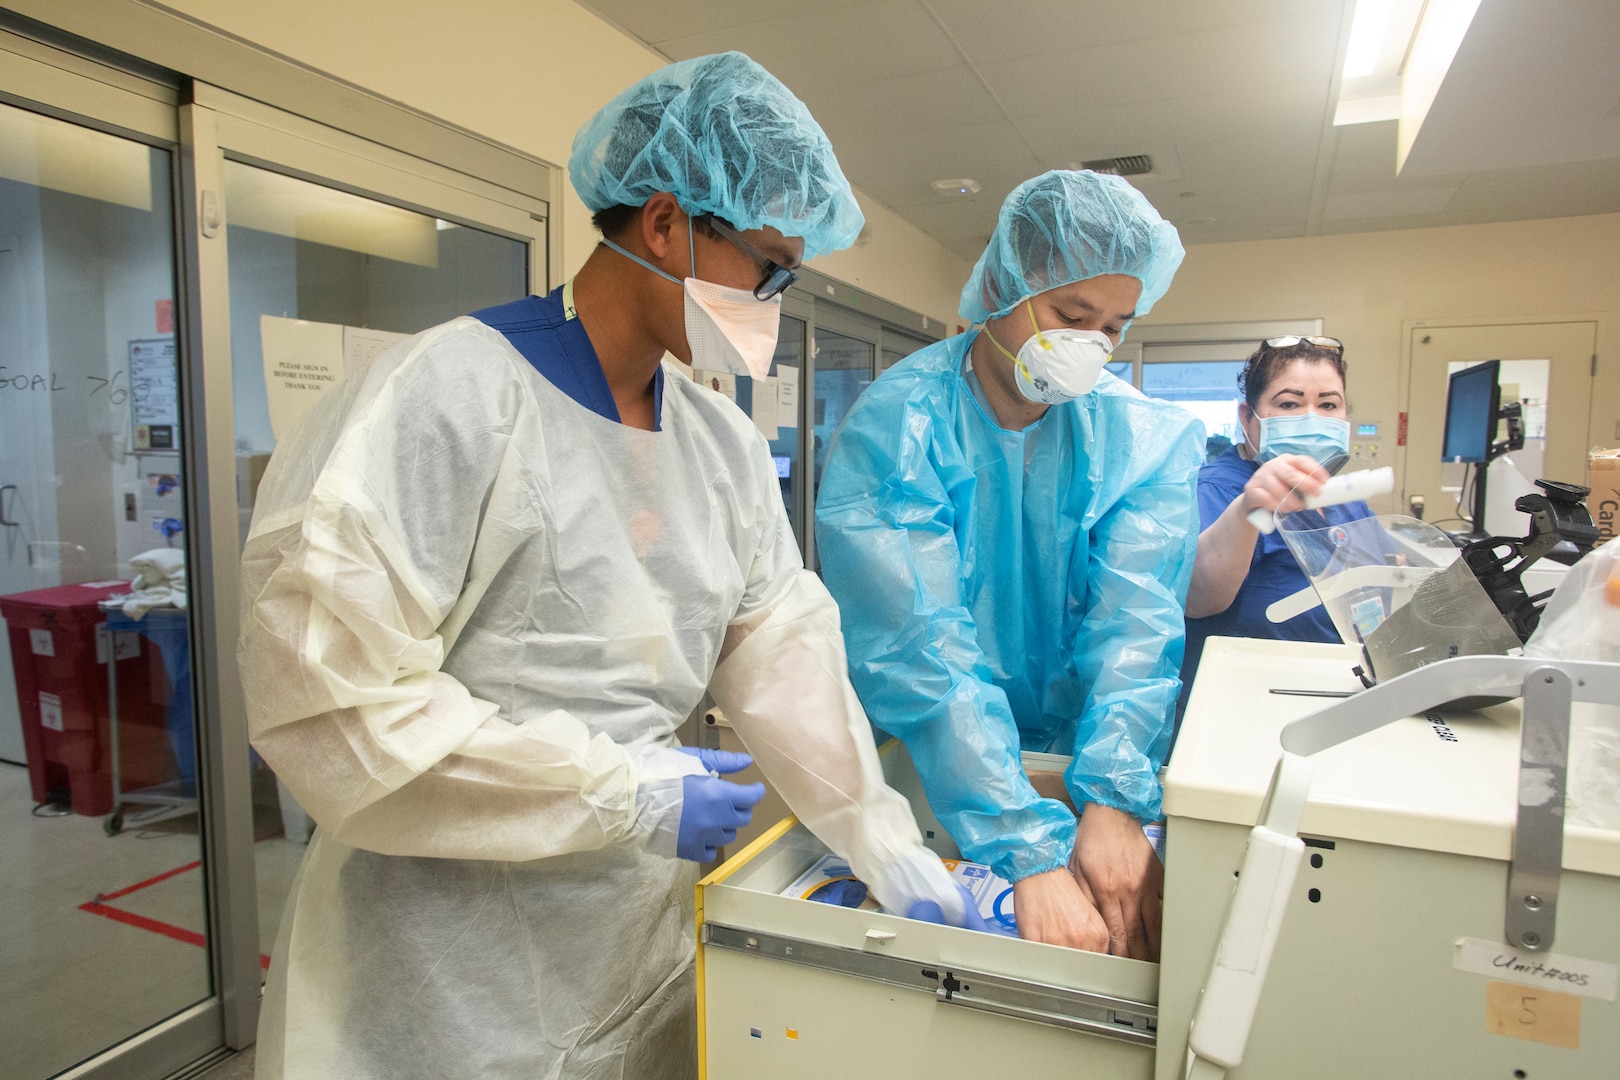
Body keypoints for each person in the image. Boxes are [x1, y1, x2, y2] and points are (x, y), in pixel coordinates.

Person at [239, 52, 973, 1080]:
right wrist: (623, 789)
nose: (772, 297)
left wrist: (880, 838)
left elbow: (784, 654)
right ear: (666, 223)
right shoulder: (444, 397)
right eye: (765, 265)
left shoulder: (717, 445)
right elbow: (332, 709)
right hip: (437, 965)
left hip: (631, 940)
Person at [815, 170, 1201, 962]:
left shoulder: (1141, 439)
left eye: (1114, 327)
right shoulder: (902, 423)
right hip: (931, 768)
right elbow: (920, 645)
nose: (1089, 346)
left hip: (1082, 755)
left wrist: (1114, 798)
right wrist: (1025, 847)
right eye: (1069, 314)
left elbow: (1136, 622)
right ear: (1002, 287)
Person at [1179, 336, 1368, 713]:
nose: (1312, 418)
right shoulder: (1220, 488)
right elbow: (1197, 598)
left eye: (1329, 404)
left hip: (1338, 693)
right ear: (1248, 418)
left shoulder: (1342, 494)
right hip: (1248, 702)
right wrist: (1249, 508)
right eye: (1289, 403)